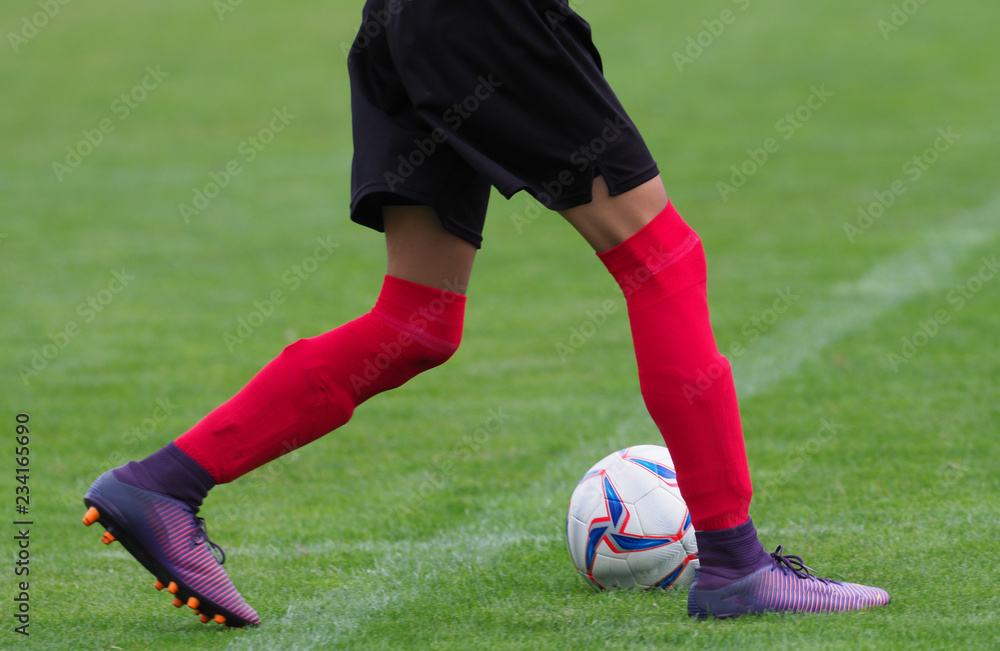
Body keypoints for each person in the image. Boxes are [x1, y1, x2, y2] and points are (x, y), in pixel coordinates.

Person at [82, 0, 889, 627]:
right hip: (486, 21)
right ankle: (736, 564)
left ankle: (162, 484)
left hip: (402, 23)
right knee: (661, 259)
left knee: (416, 323)